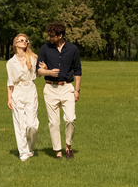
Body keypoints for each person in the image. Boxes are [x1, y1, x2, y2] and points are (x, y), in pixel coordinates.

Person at [36, 21, 82, 160]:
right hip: (50, 89)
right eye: (49, 35)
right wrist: (48, 72)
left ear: (60, 35)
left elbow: (78, 70)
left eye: (53, 36)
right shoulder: (45, 49)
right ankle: (58, 151)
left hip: (67, 88)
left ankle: (68, 146)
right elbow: (38, 71)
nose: (50, 38)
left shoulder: (73, 49)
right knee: (54, 122)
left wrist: (77, 90)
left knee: (70, 119)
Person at [6, 33, 39, 161]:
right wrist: (9, 98)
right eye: (21, 40)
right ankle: (23, 153)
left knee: (32, 124)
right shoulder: (10, 63)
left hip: (31, 90)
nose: (23, 42)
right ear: (16, 43)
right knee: (20, 124)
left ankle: (30, 147)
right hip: (17, 91)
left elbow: (40, 72)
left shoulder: (33, 58)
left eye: (26, 40)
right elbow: (10, 82)